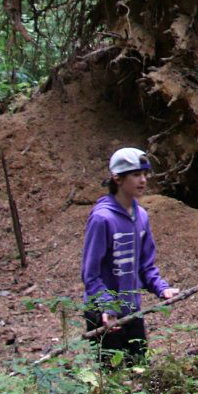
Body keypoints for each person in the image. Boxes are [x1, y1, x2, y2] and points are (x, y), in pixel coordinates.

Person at [79, 146, 181, 363]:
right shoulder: (102, 219)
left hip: (131, 309)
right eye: (136, 175)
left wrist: (161, 288)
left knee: (139, 368)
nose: (143, 180)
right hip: (104, 313)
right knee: (112, 379)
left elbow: (145, 266)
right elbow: (90, 274)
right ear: (117, 178)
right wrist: (106, 307)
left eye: (145, 174)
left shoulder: (141, 216)